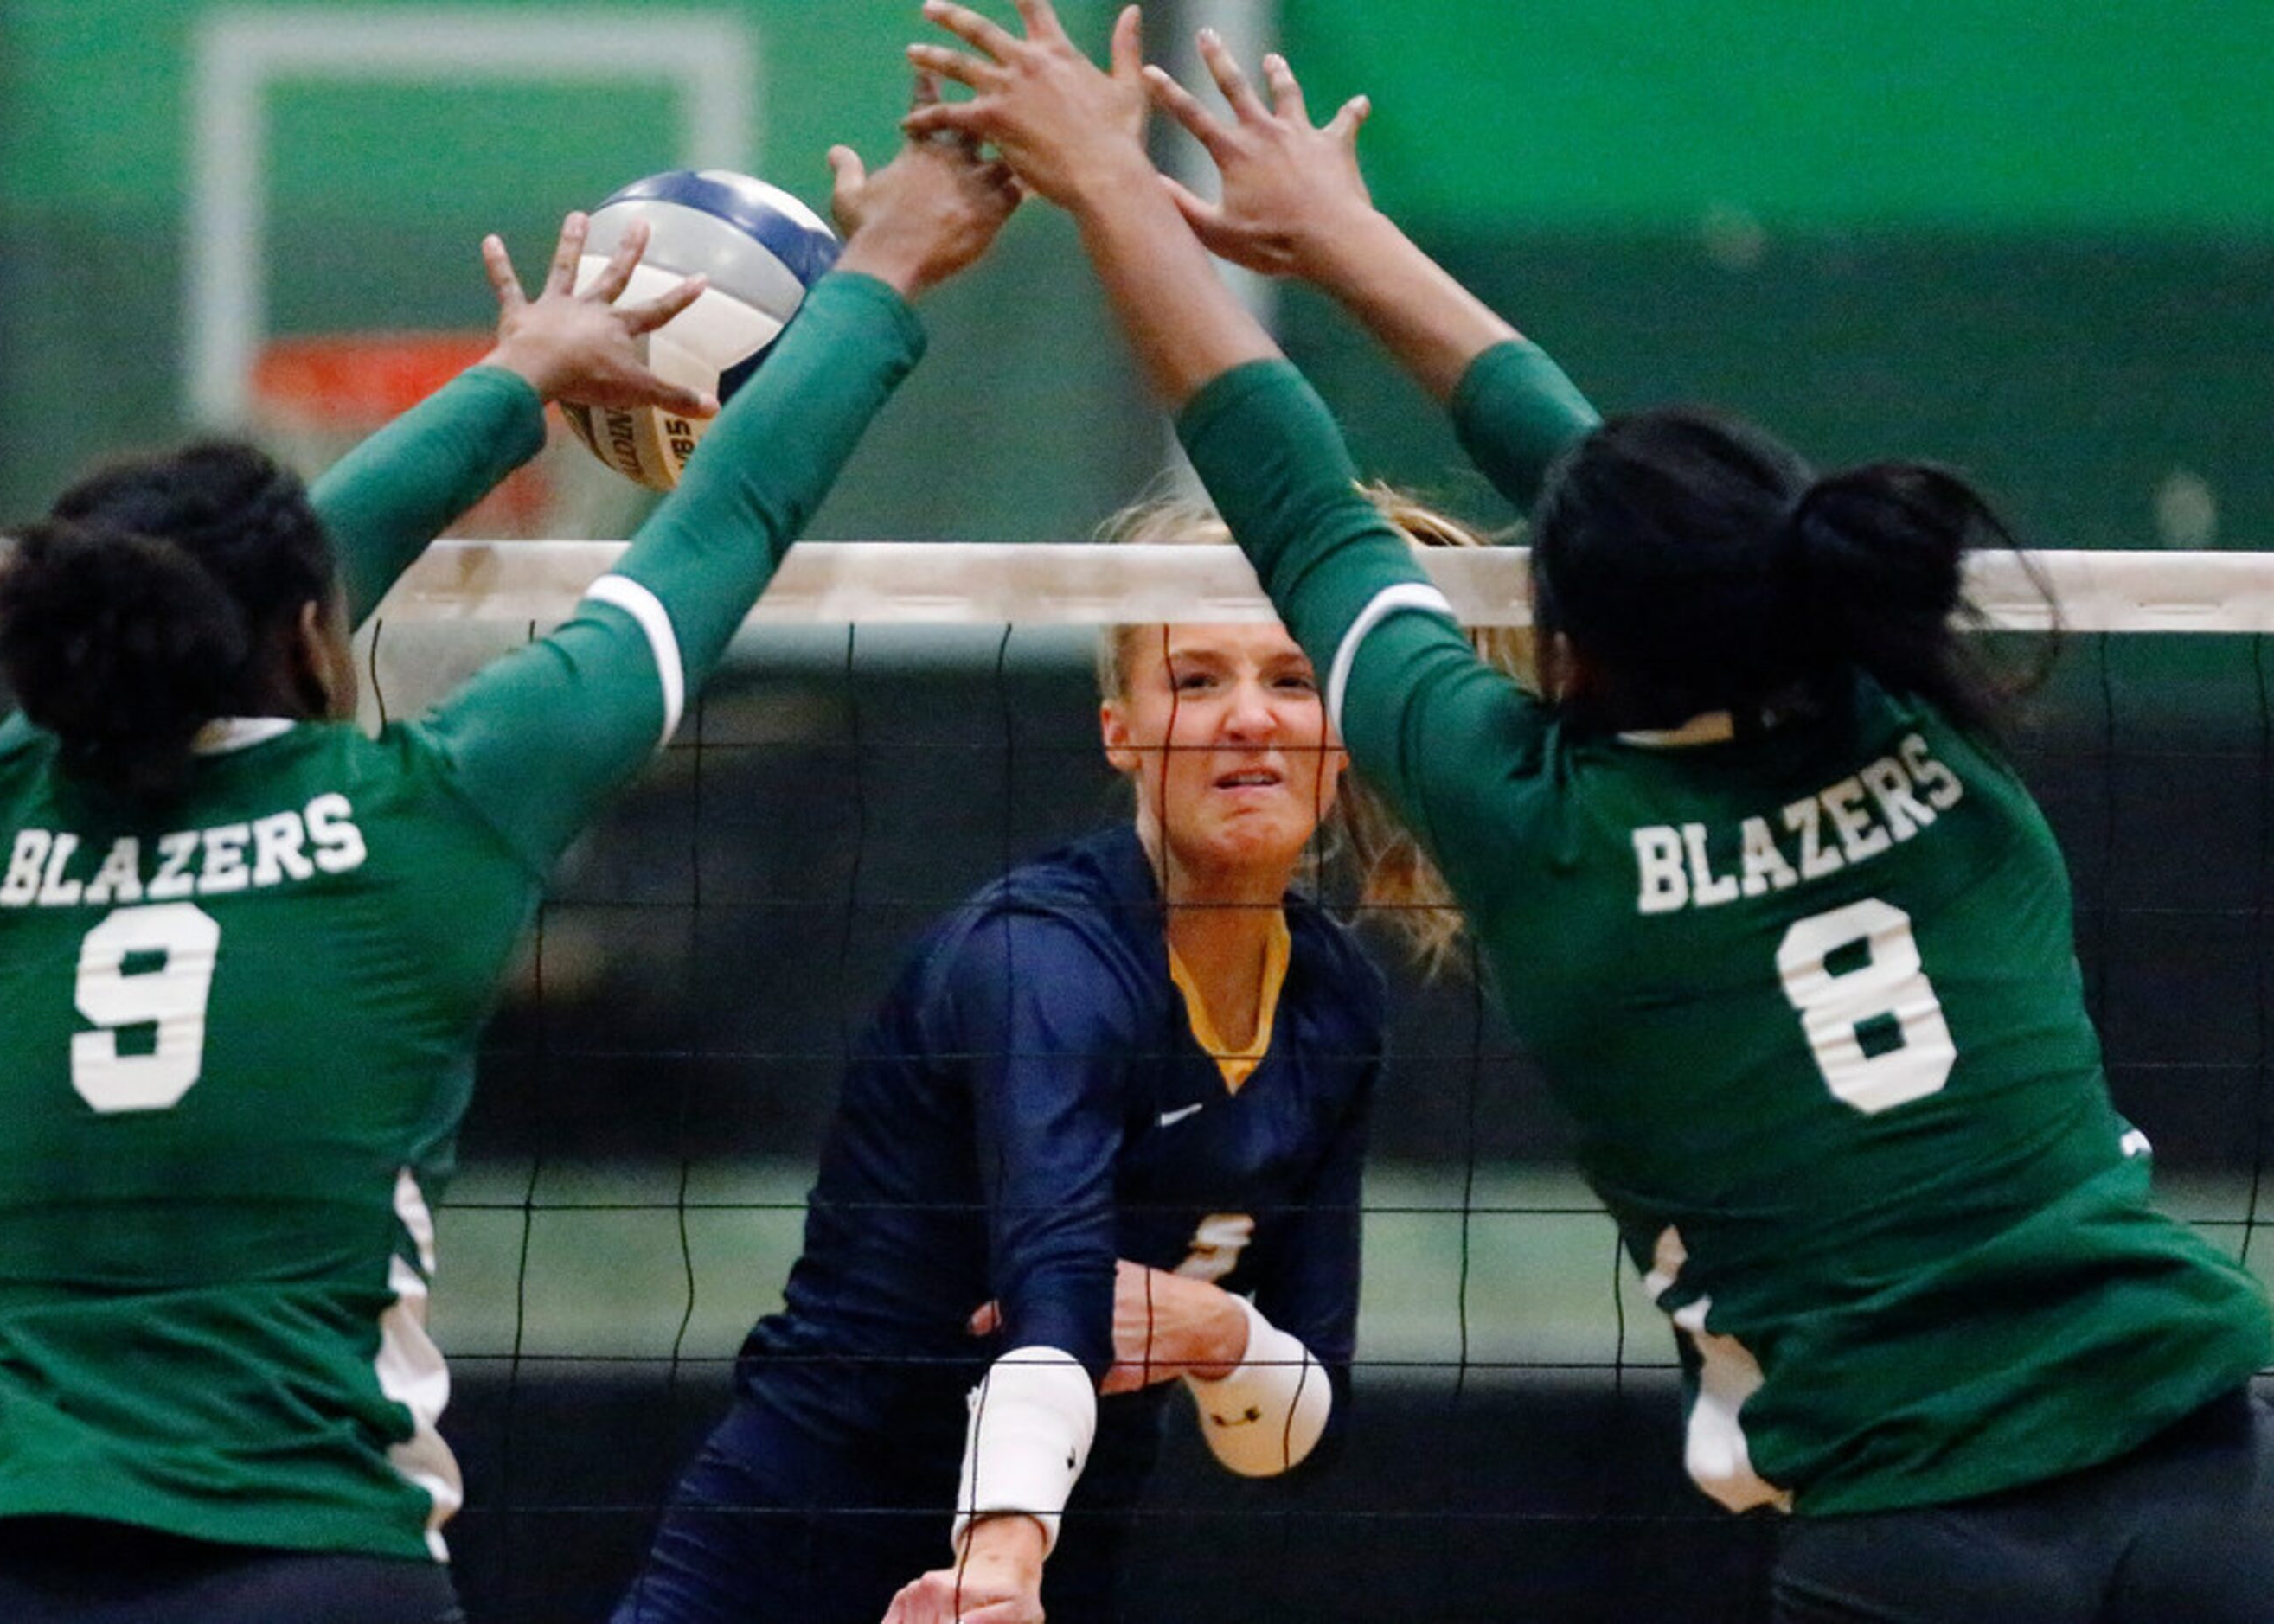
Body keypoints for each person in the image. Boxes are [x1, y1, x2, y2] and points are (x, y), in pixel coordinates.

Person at [903, 4, 2274, 1620]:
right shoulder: (1919, 715)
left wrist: (1114, 186)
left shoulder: (1542, 833)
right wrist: (1347, 238)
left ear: (1569, 643)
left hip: (1920, 1534)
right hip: (2215, 1471)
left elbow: (1285, 480)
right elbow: (1625, 483)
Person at [0, 122, 1018, 1624]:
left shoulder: (11, 804)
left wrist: (521, 374)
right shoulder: (426, 814)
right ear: (317, 633)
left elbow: (239, 593)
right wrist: (888, 264)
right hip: (295, 1555)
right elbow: (730, 518)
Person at [615, 484, 1517, 1624]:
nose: (1250, 717)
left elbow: (1298, 1427)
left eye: (1291, 678)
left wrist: (1220, 1332)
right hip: (799, 1549)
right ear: (1120, 728)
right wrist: (997, 1563)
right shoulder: (1041, 960)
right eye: (1197, 679)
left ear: (1342, 730)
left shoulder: (1335, 1005)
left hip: (1056, 1561)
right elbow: (1055, 1298)